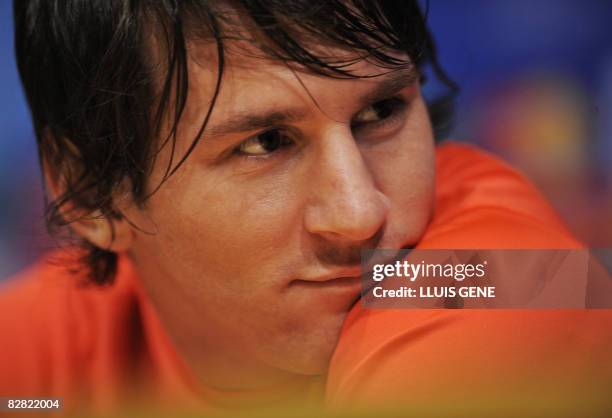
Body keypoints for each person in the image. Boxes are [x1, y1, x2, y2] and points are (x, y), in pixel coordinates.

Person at [2, 0, 611, 416]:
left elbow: (550, 291)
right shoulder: (39, 359)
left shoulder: (513, 276)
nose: (360, 213)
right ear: (90, 192)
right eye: (265, 143)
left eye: (381, 113)